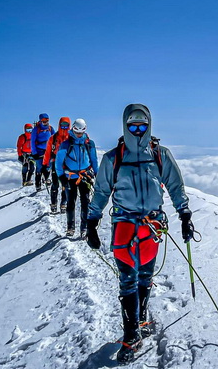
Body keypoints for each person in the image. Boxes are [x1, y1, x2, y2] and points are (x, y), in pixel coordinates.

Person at [85, 104, 194, 363]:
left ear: (149, 125)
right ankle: (131, 334)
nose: (137, 130)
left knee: (145, 275)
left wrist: (185, 214)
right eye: (132, 125)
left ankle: (142, 319)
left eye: (141, 125)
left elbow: (175, 185)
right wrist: (92, 221)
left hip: (152, 226)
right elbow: (101, 192)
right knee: (127, 279)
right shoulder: (113, 158)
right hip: (124, 225)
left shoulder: (160, 155)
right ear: (125, 125)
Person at [55, 118, 98, 239]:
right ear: (73, 129)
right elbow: (58, 163)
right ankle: (70, 228)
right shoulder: (66, 144)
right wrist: (61, 177)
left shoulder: (89, 144)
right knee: (70, 203)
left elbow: (94, 161)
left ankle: (84, 228)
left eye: (81, 132)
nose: (78, 134)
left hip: (84, 176)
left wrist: (97, 175)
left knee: (85, 202)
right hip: (70, 177)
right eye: (76, 132)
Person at [44, 116, 71, 214]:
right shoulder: (53, 138)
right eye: (62, 125)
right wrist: (45, 164)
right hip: (55, 162)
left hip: (68, 163)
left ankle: (63, 203)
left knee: (65, 185)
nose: (64, 128)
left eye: (66, 125)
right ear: (59, 125)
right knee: (55, 184)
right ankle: (53, 204)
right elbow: (47, 152)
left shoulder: (71, 137)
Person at [30, 113, 55, 191]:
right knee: (39, 168)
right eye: (43, 120)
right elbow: (32, 142)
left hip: (48, 151)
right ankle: (38, 184)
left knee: (48, 166)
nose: (45, 122)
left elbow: (55, 139)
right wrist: (34, 153)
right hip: (39, 151)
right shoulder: (36, 130)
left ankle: (47, 179)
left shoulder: (50, 129)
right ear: (40, 121)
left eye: (47, 120)